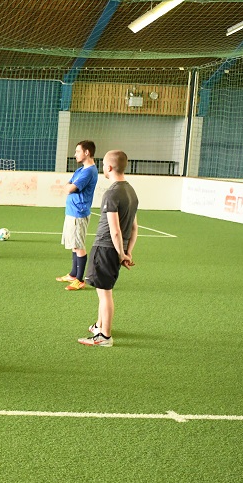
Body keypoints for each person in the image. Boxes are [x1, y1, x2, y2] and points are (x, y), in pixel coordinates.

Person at [78, 150, 138, 347]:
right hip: (114, 250)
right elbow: (134, 228)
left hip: (106, 248)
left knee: (105, 294)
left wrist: (121, 254)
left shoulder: (111, 193)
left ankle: (105, 336)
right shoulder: (131, 191)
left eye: (103, 164)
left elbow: (115, 231)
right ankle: (99, 326)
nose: (102, 167)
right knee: (103, 290)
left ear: (110, 167)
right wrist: (128, 252)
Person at [57, 141, 98, 291]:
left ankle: (80, 280)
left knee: (78, 245)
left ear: (86, 152)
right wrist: (68, 187)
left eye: (77, 151)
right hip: (72, 211)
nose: (75, 154)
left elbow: (70, 188)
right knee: (74, 244)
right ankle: (73, 274)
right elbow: (68, 185)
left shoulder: (89, 171)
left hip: (79, 212)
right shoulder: (81, 170)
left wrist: (69, 187)